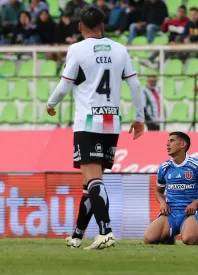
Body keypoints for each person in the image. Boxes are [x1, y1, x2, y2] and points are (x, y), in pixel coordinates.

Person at [46, 6, 145, 250]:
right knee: (90, 182)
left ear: (80, 27)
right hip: (112, 123)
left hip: (88, 122)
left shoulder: (77, 49)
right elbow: (135, 86)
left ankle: (106, 231)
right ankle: (78, 234)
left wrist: (51, 103)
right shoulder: (120, 50)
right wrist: (139, 116)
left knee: (93, 180)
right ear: (103, 26)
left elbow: (65, 85)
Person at [143, 132, 198, 245]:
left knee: (189, 239)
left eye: (172, 141)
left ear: (182, 144)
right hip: (170, 213)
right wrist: (162, 203)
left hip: (190, 213)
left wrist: (195, 203)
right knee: (148, 239)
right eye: (167, 141)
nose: (167, 144)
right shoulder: (165, 167)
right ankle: (169, 236)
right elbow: (158, 191)